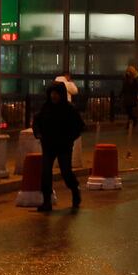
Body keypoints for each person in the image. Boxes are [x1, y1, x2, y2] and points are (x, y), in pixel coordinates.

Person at [32, 82, 84, 213]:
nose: (54, 96)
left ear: (61, 94)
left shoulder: (69, 109)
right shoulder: (46, 108)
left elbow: (80, 126)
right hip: (49, 145)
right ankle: (46, 201)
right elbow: (37, 121)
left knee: (66, 172)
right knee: (45, 172)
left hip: (64, 146)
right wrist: (38, 133)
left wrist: (70, 138)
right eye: (52, 93)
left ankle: (75, 191)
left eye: (56, 94)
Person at [119, 66, 138, 132]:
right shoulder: (130, 80)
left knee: (129, 112)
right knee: (130, 112)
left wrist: (120, 95)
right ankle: (133, 122)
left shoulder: (128, 80)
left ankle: (131, 123)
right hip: (130, 99)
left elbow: (124, 89)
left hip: (129, 99)